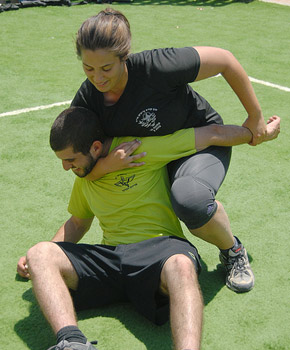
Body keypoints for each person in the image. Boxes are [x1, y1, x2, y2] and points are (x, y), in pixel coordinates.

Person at [17, 106, 280, 350]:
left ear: (96, 148)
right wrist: (43, 257)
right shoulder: (85, 175)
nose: (65, 167)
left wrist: (258, 133)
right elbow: (77, 223)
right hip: (110, 258)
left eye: (70, 160)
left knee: (182, 264)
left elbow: (211, 134)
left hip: (160, 250)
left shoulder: (142, 150)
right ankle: (74, 349)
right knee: (39, 252)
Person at [70, 7, 269, 294]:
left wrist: (255, 117)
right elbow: (78, 161)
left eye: (106, 68)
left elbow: (225, 60)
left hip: (199, 143)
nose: (97, 78)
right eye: (88, 68)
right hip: (152, 158)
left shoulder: (158, 67)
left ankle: (233, 250)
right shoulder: (88, 99)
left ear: (124, 57)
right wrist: (108, 166)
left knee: (190, 200)